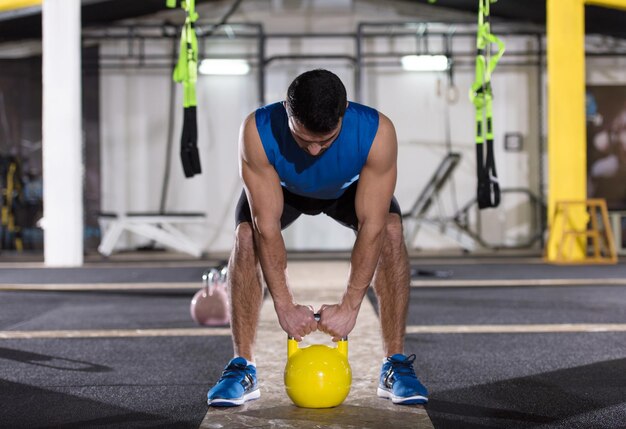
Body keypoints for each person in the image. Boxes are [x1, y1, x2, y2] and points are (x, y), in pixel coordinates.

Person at [207, 69, 428, 407]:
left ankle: (394, 363)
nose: (312, 150)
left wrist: (351, 304)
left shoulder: (376, 132)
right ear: (286, 111)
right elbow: (267, 226)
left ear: (343, 115)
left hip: (346, 190)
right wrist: (283, 304)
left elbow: (372, 226)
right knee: (248, 235)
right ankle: (243, 366)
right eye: (302, 139)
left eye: (325, 141)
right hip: (283, 189)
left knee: (392, 231)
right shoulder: (258, 130)